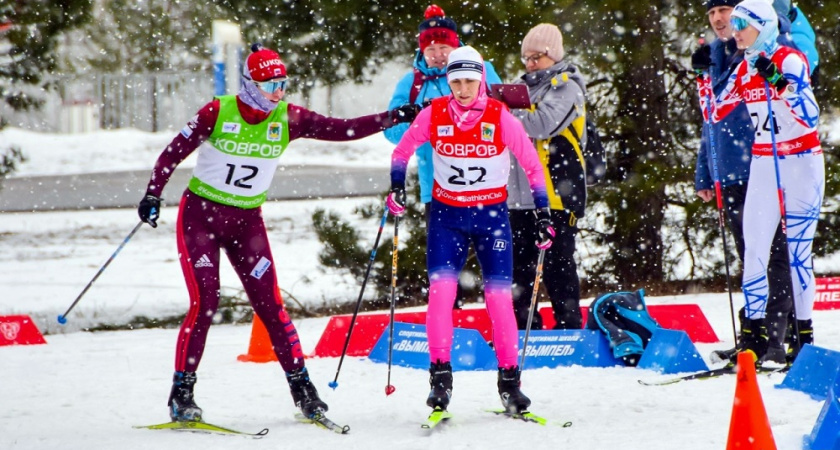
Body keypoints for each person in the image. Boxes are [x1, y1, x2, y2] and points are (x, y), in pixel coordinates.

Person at [136, 43, 417, 423]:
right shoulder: (218, 111)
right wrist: (153, 194)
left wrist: (392, 117)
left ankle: (303, 390)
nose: (279, 92)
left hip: (246, 223)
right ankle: (181, 394)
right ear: (251, 84)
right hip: (201, 218)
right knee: (206, 302)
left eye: (283, 84)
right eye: (271, 85)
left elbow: (341, 129)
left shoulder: (288, 118)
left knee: (270, 305)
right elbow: (172, 153)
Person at [386, 46, 553, 414]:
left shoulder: (500, 116)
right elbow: (401, 152)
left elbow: (533, 166)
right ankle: (440, 381)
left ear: (481, 81)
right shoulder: (433, 113)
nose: (462, 89)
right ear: (449, 81)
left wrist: (543, 214)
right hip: (447, 218)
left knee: (499, 299)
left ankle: (510, 384)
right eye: (456, 81)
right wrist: (397, 187)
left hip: (491, 218)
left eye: (470, 81)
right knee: (441, 294)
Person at [696, 0, 823, 364]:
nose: (735, 31)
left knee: (797, 255)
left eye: (742, 25)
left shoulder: (789, 59)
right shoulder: (744, 67)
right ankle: (753, 336)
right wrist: (703, 78)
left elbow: (810, 116)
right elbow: (714, 113)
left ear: (763, 26)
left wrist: (778, 81)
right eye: (733, 24)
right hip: (764, 162)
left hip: (800, 161)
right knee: (753, 251)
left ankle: (802, 339)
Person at [385, 4, 503, 308]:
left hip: (485, 183)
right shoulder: (411, 84)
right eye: (431, 50)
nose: (438, 55)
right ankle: (450, 317)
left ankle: (501, 315)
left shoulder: (482, 69)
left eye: (444, 48)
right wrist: (419, 123)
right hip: (438, 186)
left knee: (494, 260)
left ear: (456, 46)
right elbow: (391, 132)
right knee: (445, 265)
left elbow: (502, 114)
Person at [507, 23, 587, 331]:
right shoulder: (519, 88)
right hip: (519, 196)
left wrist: (506, 112)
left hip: (557, 192)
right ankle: (522, 327)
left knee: (558, 265)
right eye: (526, 57)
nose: (530, 64)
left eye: (536, 57)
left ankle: (568, 325)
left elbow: (542, 124)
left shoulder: (566, 86)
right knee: (519, 268)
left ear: (553, 55)